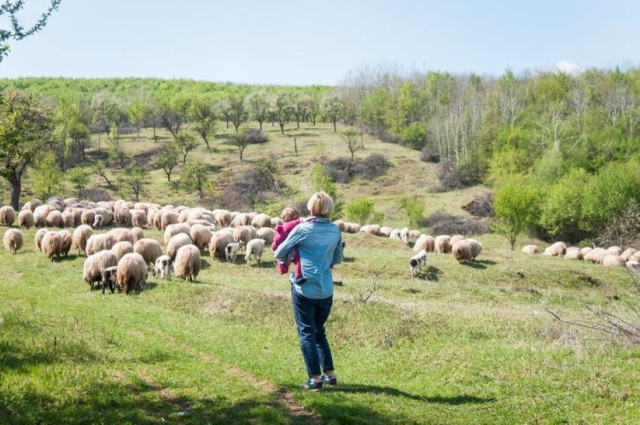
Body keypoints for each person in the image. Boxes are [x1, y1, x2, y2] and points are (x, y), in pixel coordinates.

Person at [274, 192, 344, 391]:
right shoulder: (335, 230)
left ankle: (314, 379)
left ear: (310, 208)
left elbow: (279, 252)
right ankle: (329, 375)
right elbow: (338, 259)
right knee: (319, 331)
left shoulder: (302, 229)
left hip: (304, 288)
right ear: (329, 208)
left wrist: (295, 253)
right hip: (326, 290)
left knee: (306, 332)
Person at [271, 206, 306, 285]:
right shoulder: (300, 224)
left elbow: (277, 239)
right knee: (299, 261)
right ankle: (298, 276)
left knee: (282, 258)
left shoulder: (284, 227)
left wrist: (274, 246)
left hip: (286, 249)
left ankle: (283, 268)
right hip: (297, 248)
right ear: (296, 216)